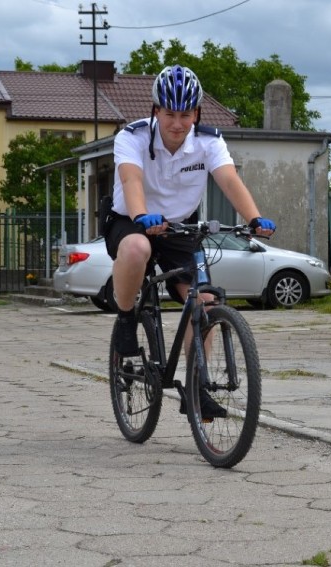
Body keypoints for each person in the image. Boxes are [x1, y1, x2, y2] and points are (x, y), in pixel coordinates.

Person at [103, 64, 275, 417]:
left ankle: (197, 387)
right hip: (131, 220)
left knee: (206, 302)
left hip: (180, 227)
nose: (177, 124)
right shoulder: (132, 137)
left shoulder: (209, 141)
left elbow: (228, 180)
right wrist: (141, 216)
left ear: (196, 113)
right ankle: (125, 321)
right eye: (169, 114)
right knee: (138, 248)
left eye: (185, 114)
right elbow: (132, 180)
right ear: (156, 111)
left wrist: (254, 217)